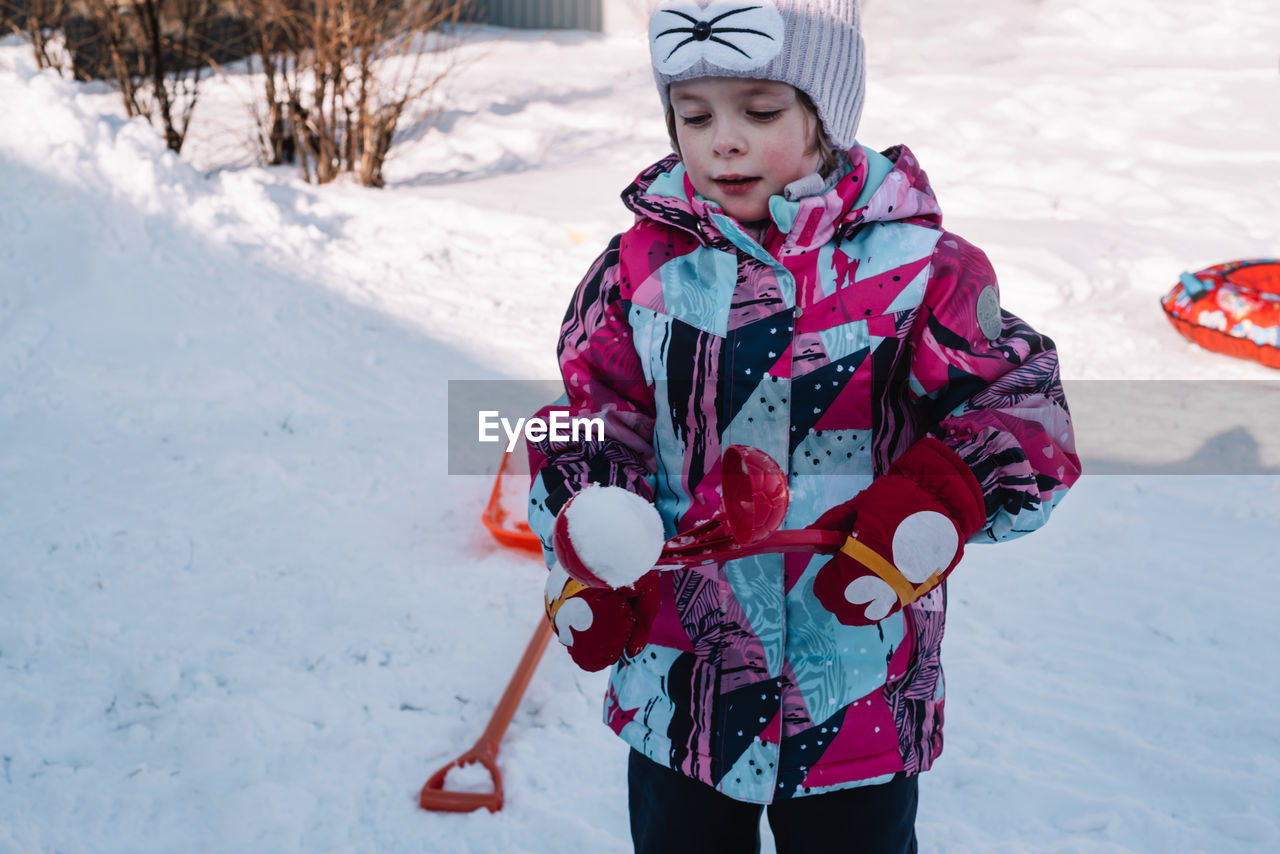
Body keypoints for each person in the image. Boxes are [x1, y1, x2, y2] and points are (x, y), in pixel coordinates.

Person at [526, 2, 1080, 851]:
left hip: (856, 680)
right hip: (683, 679)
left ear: (827, 115)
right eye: (695, 114)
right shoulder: (638, 269)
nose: (724, 141)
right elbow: (590, 416)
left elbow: (1020, 403)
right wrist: (592, 535)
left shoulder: (919, 269)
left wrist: (940, 495)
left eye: (760, 109)